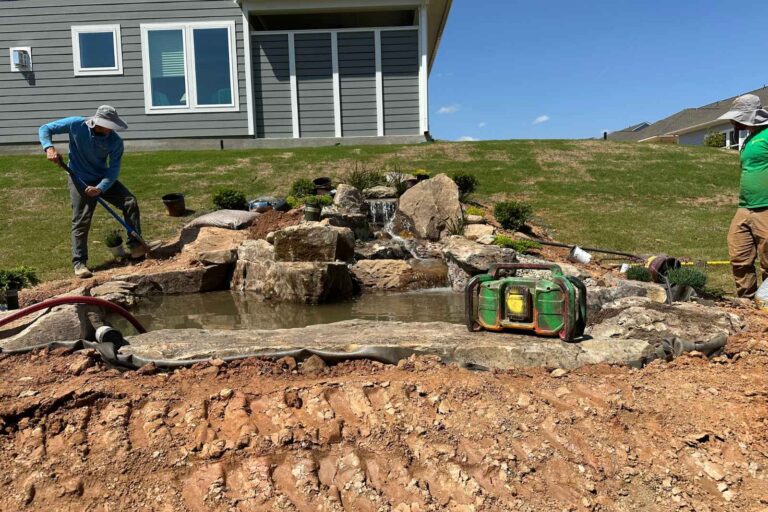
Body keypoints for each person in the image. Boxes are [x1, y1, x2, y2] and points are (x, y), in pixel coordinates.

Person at [39, 105, 143, 279]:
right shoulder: (76, 124)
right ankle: (79, 263)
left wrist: (101, 187)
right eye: (109, 125)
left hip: (102, 178)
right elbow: (45, 128)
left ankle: (136, 246)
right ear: (99, 123)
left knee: (129, 201)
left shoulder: (115, 142)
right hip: (78, 178)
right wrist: (49, 148)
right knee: (81, 220)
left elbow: (113, 170)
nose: (112, 129)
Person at [720, 94, 768, 298]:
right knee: (739, 256)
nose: (733, 121)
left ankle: (765, 306)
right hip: (745, 207)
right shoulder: (749, 139)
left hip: (766, 208)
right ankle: (747, 302)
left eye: (737, 117)